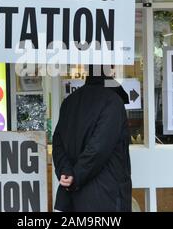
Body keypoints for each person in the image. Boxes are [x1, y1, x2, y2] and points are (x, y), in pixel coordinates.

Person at [52, 66, 132, 212]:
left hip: (70, 199)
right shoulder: (113, 102)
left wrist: (67, 172)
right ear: (110, 71)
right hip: (105, 196)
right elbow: (99, 148)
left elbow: (57, 143)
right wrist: (75, 177)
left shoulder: (69, 102)